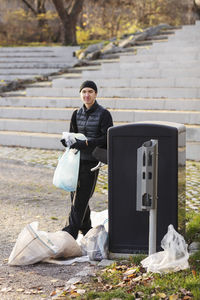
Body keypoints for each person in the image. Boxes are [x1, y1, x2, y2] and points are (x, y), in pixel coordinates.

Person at [61, 80, 113, 239]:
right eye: (84, 92)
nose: (87, 95)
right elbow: (73, 134)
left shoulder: (104, 114)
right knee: (74, 195)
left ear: (96, 94)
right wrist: (67, 141)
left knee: (81, 196)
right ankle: (86, 228)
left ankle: (71, 230)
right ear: (80, 94)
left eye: (90, 91)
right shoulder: (76, 113)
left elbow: (107, 137)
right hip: (76, 161)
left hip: (92, 161)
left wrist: (87, 143)